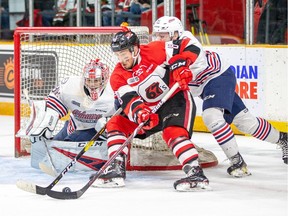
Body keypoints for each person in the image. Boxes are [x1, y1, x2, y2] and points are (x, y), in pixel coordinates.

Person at [152, 16, 288, 177]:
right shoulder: (157, 51)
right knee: (246, 122)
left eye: (163, 35)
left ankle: (237, 162)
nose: (158, 39)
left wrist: (181, 65)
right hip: (204, 88)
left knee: (211, 116)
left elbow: (194, 56)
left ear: (175, 34)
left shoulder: (188, 40)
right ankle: (284, 139)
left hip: (217, 76)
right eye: (157, 35)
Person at [94, 30, 210, 192]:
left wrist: (181, 62)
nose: (121, 59)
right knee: (115, 122)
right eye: (117, 55)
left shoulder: (155, 50)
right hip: (149, 110)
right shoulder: (118, 76)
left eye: (123, 54)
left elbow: (189, 44)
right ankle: (116, 168)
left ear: (134, 49)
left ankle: (195, 173)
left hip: (175, 100)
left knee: (172, 132)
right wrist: (140, 113)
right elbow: (129, 101)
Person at [27, 58, 115, 143]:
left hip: (96, 133)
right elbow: (52, 104)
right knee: (53, 146)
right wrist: (44, 122)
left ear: (104, 79)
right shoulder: (71, 85)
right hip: (73, 125)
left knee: (63, 150)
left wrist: (108, 124)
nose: (92, 84)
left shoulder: (113, 92)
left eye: (96, 80)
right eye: (88, 80)